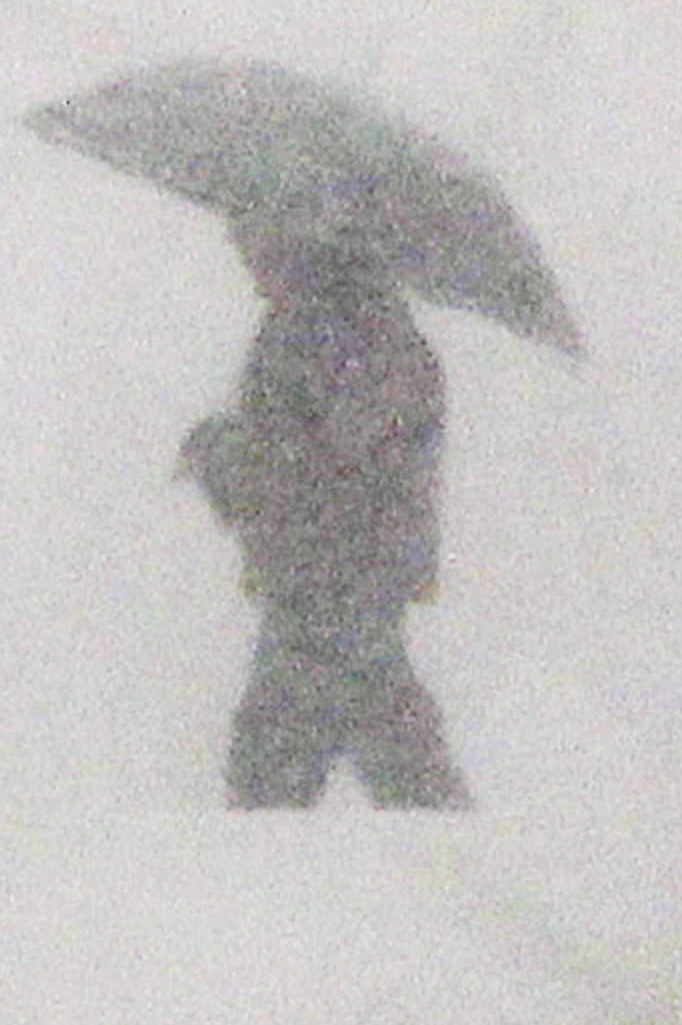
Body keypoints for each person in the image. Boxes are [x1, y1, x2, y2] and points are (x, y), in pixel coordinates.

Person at [178, 230, 468, 810]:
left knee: (272, 775)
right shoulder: (392, 332)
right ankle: (463, 861)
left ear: (292, 239)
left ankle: (462, 865)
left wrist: (217, 454)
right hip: (368, 578)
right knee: (389, 746)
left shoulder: (305, 332)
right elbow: (365, 458)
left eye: (252, 233)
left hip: (317, 583)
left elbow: (294, 476)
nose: (244, 251)